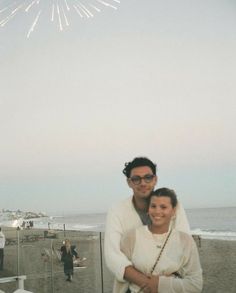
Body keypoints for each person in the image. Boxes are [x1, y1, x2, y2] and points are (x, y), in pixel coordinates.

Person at [104, 157, 190, 292]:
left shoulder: (174, 206)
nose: (143, 183)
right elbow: (113, 256)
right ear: (129, 182)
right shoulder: (117, 211)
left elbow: (184, 246)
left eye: (148, 177)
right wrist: (148, 284)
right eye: (136, 179)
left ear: (155, 179)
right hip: (130, 288)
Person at [120, 188, 203, 292]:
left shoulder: (185, 241)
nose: (157, 211)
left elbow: (196, 284)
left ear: (173, 211)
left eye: (163, 207)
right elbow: (120, 270)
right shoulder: (132, 237)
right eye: (153, 206)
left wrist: (160, 284)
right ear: (148, 209)